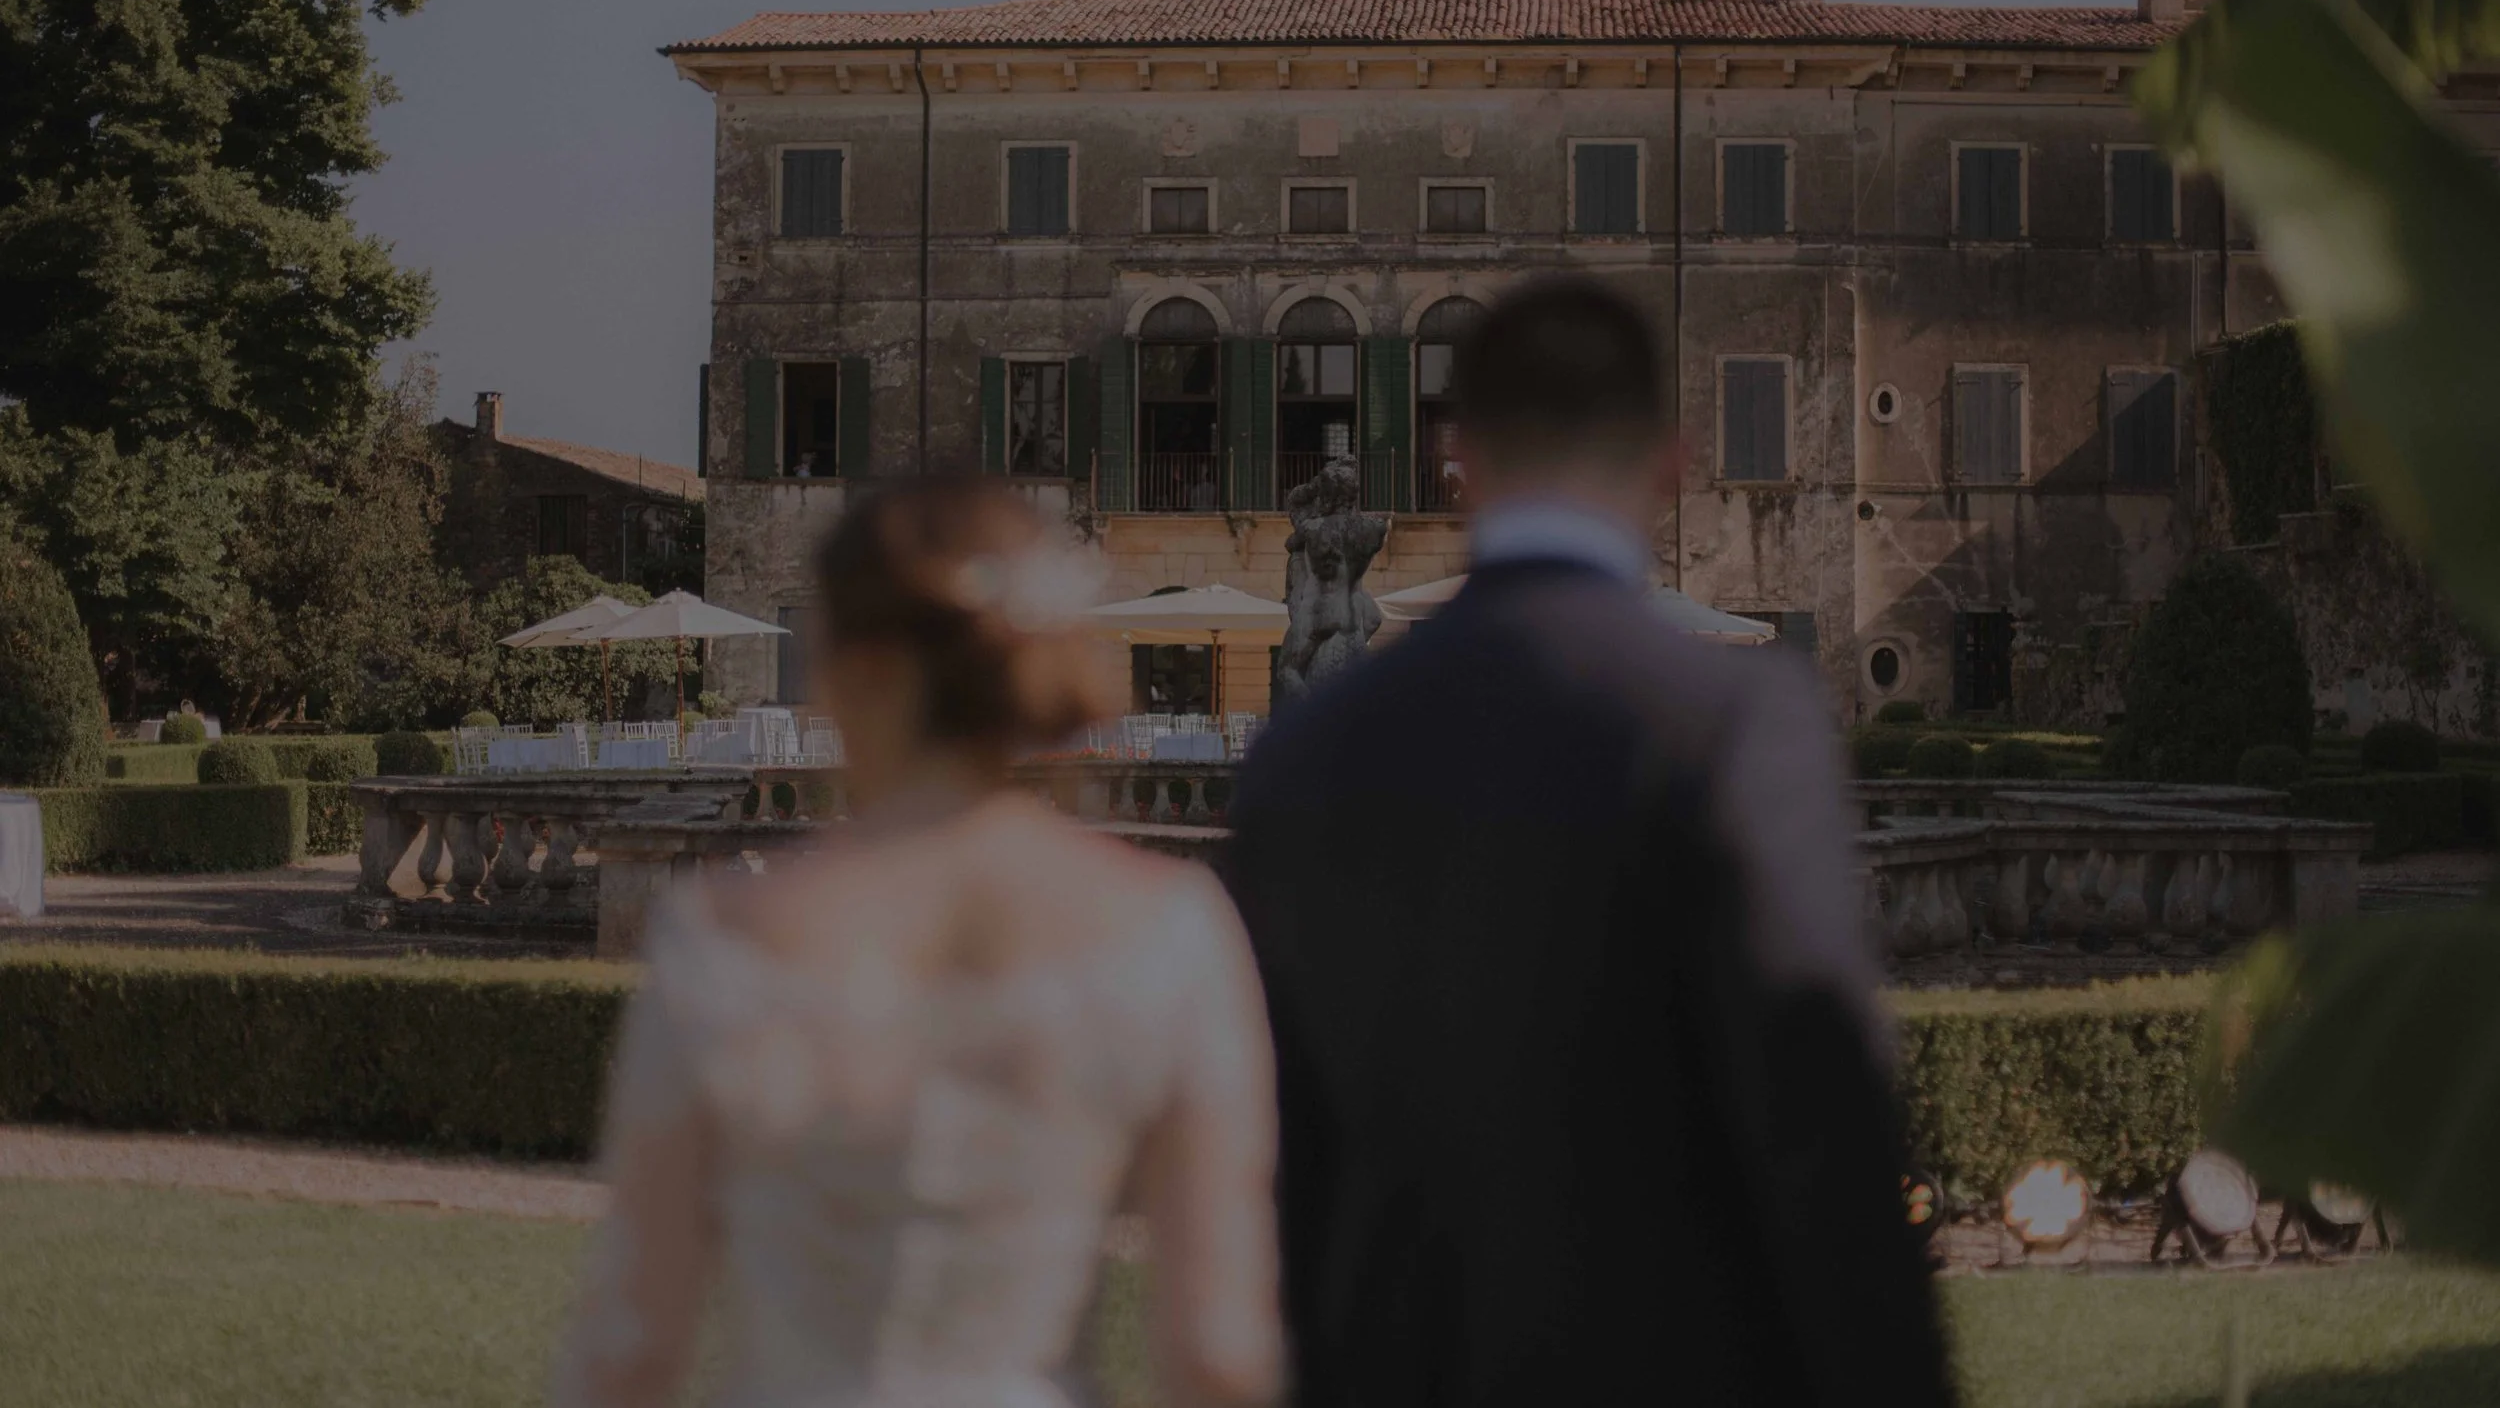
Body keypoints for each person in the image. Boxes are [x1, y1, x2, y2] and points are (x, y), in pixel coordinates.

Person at [1221, 277, 1952, 1407]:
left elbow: (1288, 1182)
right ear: (1671, 461)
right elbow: (1822, 1134)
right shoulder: (1735, 724)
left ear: (1455, 456)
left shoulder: (1302, 759)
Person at [553, 477, 1282, 1408]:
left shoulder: (721, 938)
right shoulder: (1173, 929)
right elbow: (1219, 1352)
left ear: (851, 671)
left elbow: (630, 1347)